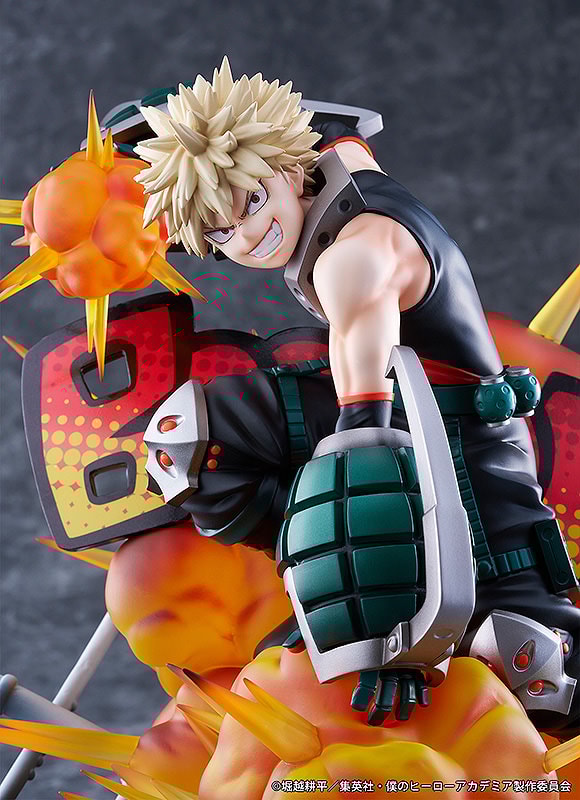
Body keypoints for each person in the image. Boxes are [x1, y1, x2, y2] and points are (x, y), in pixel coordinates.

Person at [136, 57, 579, 738]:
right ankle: (316, 574)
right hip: (400, 400)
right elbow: (333, 129)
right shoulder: (336, 164)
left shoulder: (354, 253)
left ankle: (376, 596)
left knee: (533, 661)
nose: (248, 236)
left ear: (288, 169)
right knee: (193, 441)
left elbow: (363, 429)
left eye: (250, 202)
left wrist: (376, 627)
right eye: (221, 232)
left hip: (465, 441)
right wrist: (163, 128)